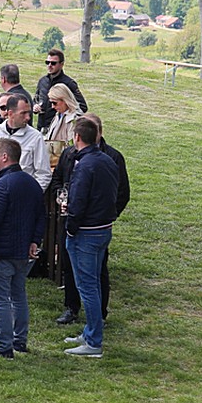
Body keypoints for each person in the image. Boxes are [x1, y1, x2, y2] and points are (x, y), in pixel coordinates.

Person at [53, 114, 129, 326]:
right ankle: (75, 311)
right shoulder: (81, 157)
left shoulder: (95, 162)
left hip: (85, 228)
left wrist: (72, 225)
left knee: (91, 281)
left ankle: (94, 331)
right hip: (97, 226)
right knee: (80, 274)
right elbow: (60, 180)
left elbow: (119, 193)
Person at [0, 137, 46, 358]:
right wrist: (34, 241)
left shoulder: (2, 186)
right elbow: (41, 217)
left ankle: (4, 345)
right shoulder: (32, 183)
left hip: (0, 252)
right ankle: (20, 340)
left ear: (5, 157)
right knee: (18, 296)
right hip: (23, 252)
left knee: (0, 300)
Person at [63, 117, 120, 358]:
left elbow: (78, 200)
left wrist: (70, 227)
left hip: (86, 233)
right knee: (93, 284)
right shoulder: (108, 160)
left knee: (87, 287)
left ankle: (94, 341)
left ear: (77, 137)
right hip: (103, 229)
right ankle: (90, 332)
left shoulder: (84, 166)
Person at [0, 94, 52, 189]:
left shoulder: (35, 137)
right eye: (23, 113)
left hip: (22, 192)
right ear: (10, 113)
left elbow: (44, 173)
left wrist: (32, 194)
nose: (28, 117)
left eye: (29, 113)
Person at [35, 48, 86, 131]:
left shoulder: (69, 83)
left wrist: (64, 114)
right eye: (47, 62)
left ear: (61, 64)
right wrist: (35, 106)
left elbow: (82, 106)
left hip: (59, 128)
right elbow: (36, 99)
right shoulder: (42, 81)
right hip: (41, 127)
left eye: (53, 63)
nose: (49, 65)